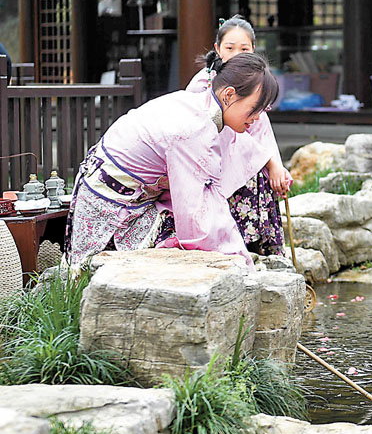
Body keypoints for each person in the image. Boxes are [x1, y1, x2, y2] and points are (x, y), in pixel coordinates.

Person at [64, 53, 279, 268]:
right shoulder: (193, 129)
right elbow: (194, 213)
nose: (258, 117)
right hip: (110, 209)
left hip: (118, 192)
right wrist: (237, 257)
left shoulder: (201, 105)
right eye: (255, 108)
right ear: (229, 94)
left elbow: (244, 152)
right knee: (197, 237)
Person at [187, 15, 291, 256]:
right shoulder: (204, 82)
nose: (236, 54)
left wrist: (276, 166)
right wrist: (268, 160)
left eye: (244, 49)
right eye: (229, 48)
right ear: (217, 49)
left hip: (252, 166)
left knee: (261, 175)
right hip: (215, 163)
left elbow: (263, 131)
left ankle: (261, 252)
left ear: (253, 49)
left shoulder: (258, 83)